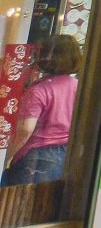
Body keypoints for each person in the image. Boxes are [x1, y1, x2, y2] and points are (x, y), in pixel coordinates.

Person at [1, 35, 81, 186]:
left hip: (38, 159)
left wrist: (7, 158)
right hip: (68, 155)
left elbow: (25, 131)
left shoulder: (39, 90)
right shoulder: (79, 86)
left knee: (19, 206)